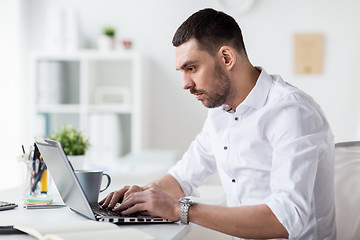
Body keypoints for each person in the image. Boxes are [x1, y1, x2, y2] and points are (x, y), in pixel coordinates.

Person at [100, 8, 336, 240]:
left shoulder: (291, 112)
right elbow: (183, 177)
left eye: (191, 68)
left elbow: (285, 218)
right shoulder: (220, 112)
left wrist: (180, 210)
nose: (184, 84)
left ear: (226, 58)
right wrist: (142, 194)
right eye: (181, 71)